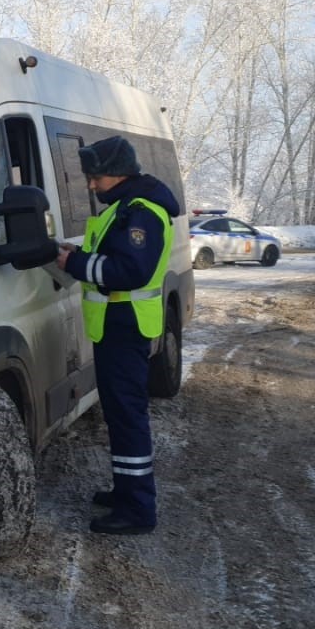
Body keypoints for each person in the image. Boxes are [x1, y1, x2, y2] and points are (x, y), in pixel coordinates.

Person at [55, 135, 180, 535]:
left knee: (128, 417)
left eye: (97, 177)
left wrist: (75, 263)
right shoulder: (126, 206)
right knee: (119, 413)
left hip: (126, 327)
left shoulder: (141, 212)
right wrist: (76, 256)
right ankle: (127, 490)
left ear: (119, 173)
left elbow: (129, 271)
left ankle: (138, 509)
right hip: (116, 326)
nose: (92, 186)